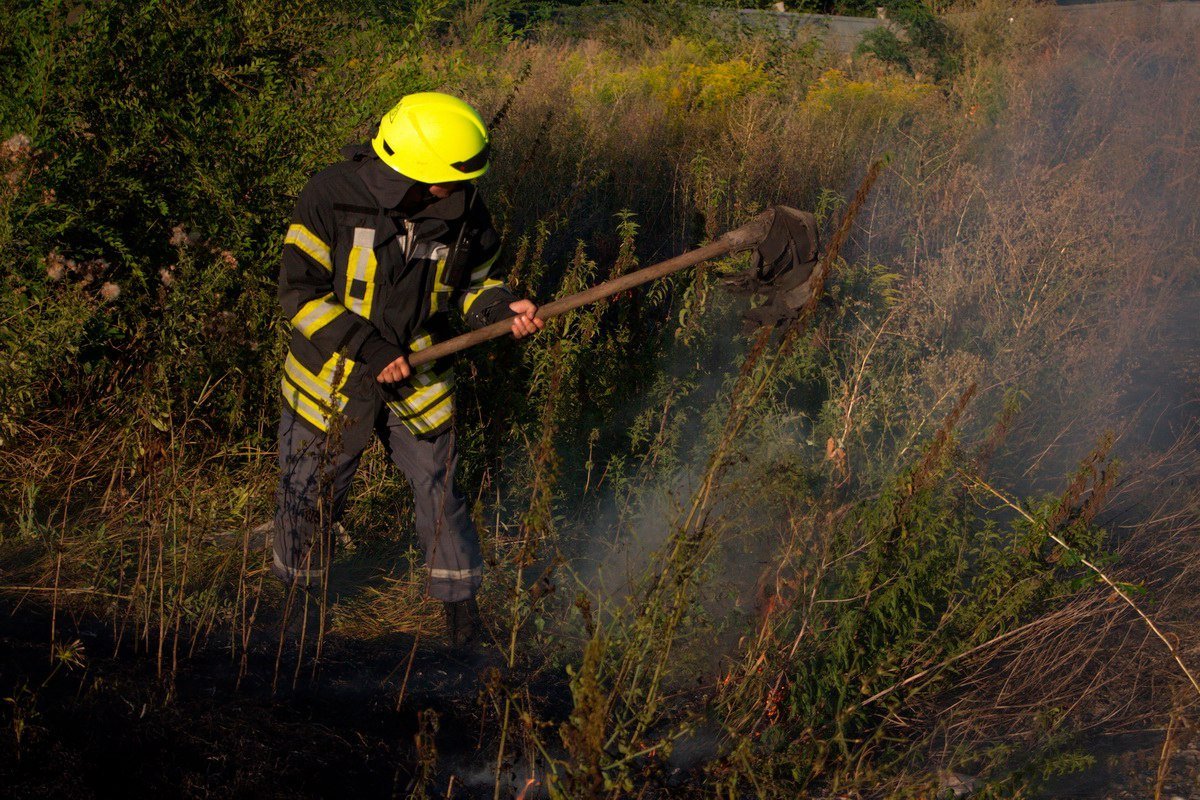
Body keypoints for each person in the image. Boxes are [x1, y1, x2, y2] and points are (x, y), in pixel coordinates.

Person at [271, 92, 543, 646]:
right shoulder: (330, 195)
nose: (461, 192)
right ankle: (297, 614)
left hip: (420, 377)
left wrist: (497, 308)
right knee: (307, 493)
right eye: (451, 180)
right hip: (330, 379)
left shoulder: (465, 210)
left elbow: (475, 283)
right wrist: (369, 349)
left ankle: (463, 622)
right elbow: (299, 294)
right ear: (415, 170)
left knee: (440, 492)